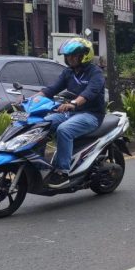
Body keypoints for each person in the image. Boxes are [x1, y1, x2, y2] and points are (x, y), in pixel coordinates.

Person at [36, 37, 106, 188]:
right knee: (40, 124)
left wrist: (73, 103)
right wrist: (31, 100)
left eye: (74, 55)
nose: (70, 59)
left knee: (64, 130)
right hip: (72, 113)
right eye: (68, 56)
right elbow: (52, 89)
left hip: (91, 115)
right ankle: (38, 165)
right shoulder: (68, 72)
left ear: (84, 56)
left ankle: (62, 172)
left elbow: (90, 92)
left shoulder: (96, 73)